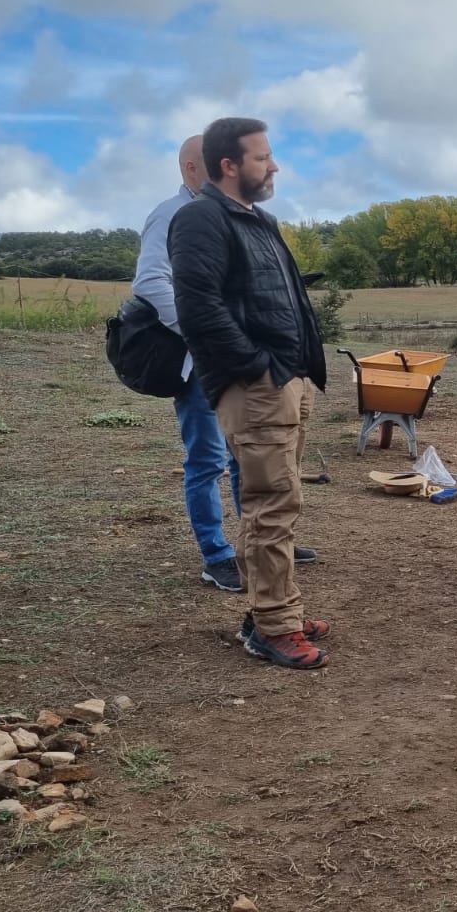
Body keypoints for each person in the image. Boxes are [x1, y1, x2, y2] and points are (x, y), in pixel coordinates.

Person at [169, 118, 331, 670]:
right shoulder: (199, 219)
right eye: (262, 157)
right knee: (270, 506)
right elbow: (199, 310)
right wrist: (257, 368)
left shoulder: (258, 219)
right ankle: (273, 626)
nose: (274, 165)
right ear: (229, 166)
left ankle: (272, 607)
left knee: (282, 501)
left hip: (287, 380)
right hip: (258, 386)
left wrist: (296, 370)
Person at [131, 135, 316, 594]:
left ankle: (253, 546)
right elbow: (150, 282)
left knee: (246, 459)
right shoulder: (173, 215)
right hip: (202, 365)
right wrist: (209, 339)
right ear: (194, 169)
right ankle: (216, 556)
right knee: (208, 459)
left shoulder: (231, 216)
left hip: (238, 364)